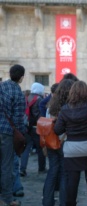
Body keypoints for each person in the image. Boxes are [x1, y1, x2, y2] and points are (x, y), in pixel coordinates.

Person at [54, 81, 87, 206]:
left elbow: (58, 130)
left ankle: (70, 203)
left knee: (71, 182)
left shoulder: (65, 109)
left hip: (72, 147)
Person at [42, 79, 74, 206]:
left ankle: (47, 201)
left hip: (51, 141)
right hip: (65, 142)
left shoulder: (51, 106)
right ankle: (63, 202)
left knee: (52, 171)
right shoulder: (70, 107)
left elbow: (46, 124)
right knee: (65, 173)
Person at [0, 64, 26, 206]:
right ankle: (7, 199)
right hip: (7, 133)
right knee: (6, 166)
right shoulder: (18, 93)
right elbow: (18, 119)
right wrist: (21, 134)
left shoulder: (1, 86)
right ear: (21, 77)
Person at [20, 82, 46, 176]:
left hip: (26, 126)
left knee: (26, 148)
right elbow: (40, 114)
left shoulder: (26, 97)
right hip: (36, 127)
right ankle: (41, 168)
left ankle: (22, 169)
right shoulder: (39, 99)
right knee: (40, 148)